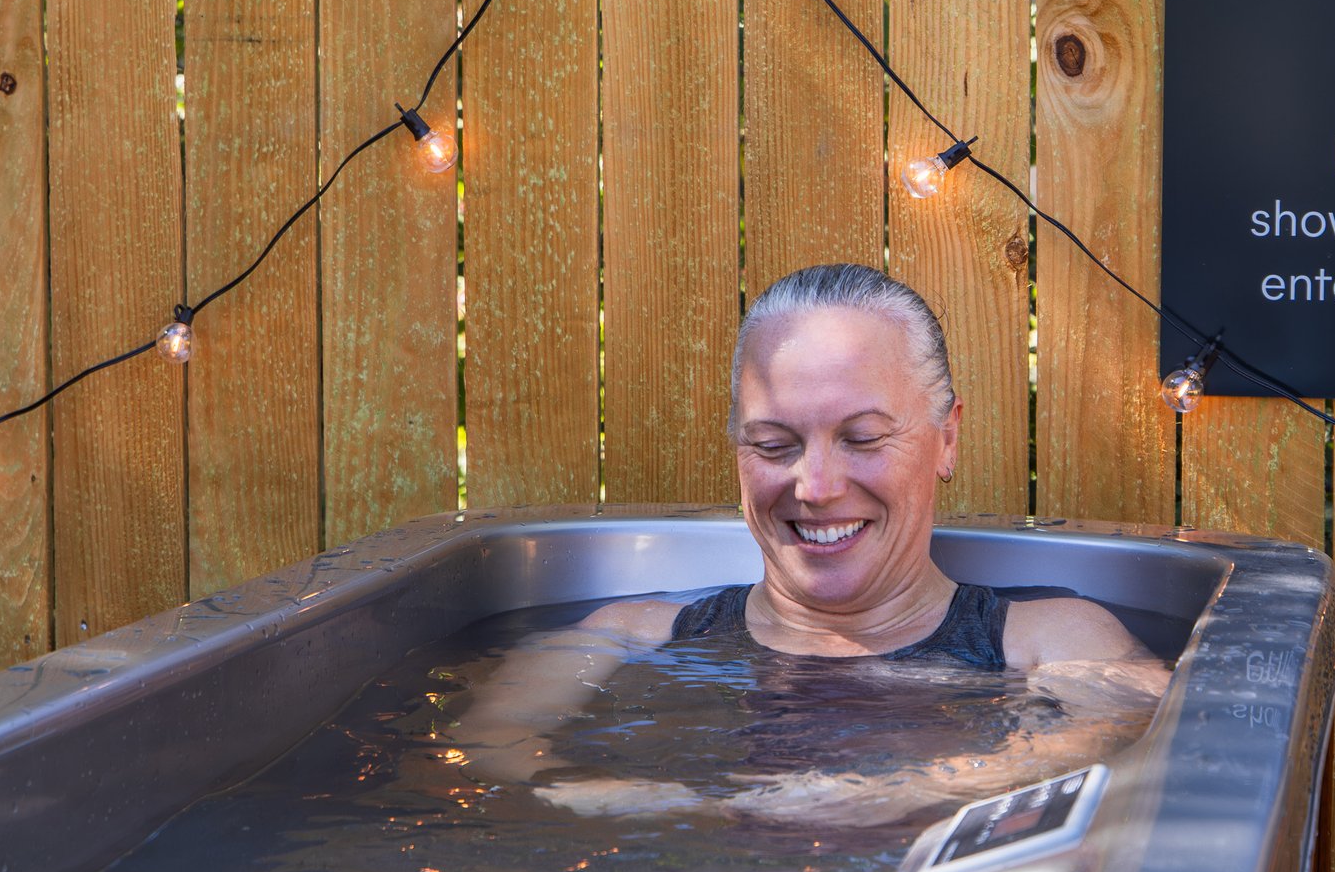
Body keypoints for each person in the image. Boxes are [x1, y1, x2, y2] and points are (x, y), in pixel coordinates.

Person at [448, 263, 1170, 825]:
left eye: (861, 438)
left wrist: (911, 790)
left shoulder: (1054, 641)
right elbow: (483, 747)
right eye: (774, 443)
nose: (816, 485)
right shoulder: (631, 634)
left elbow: (1150, 739)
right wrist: (626, 797)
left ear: (946, 437)